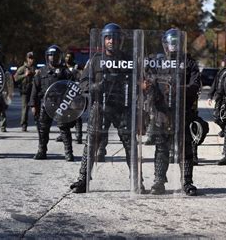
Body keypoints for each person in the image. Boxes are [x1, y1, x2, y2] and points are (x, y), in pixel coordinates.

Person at [70, 23, 144, 193]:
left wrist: (141, 107)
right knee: (91, 144)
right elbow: (83, 84)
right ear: (103, 40)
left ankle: (136, 181)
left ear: (120, 40)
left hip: (124, 108)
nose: (112, 41)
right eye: (108, 38)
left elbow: (141, 84)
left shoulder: (130, 60)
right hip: (101, 107)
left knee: (130, 145)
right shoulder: (95, 60)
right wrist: (96, 87)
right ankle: (83, 179)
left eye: (115, 38)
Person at [148, 28, 201, 196]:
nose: (173, 46)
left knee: (185, 148)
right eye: (170, 43)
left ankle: (187, 182)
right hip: (162, 111)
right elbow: (148, 81)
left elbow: (195, 84)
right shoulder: (157, 62)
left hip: (182, 110)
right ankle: (158, 181)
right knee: (161, 147)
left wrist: (179, 90)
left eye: (176, 42)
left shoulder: (189, 62)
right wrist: (151, 89)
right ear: (165, 44)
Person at [29, 45, 76, 161]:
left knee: (64, 129)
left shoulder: (65, 72)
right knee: (43, 129)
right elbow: (35, 89)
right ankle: (41, 151)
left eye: (55, 56)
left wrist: (72, 105)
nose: (52, 58)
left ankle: (68, 153)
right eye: (50, 55)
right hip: (46, 104)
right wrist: (33, 104)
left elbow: (73, 89)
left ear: (59, 57)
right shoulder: (41, 72)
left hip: (61, 104)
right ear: (47, 57)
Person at [56, 52, 83, 144]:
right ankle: (62, 134)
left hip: (74, 93)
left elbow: (81, 78)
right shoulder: (62, 67)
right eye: (66, 56)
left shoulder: (77, 67)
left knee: (76, 114)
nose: (68, 58)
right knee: (62, 113)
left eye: (69, 57)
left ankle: (78, 135)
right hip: (64, 93)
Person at [208, 52, 226, 138]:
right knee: (216, 118)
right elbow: (215, 84)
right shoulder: (222, 71)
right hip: (220, 98)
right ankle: (224, 130)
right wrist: (210, 96)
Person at [15, 52, 36, 132]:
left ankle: (39, 125)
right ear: (27, 59)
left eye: (32, 58)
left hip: (33, 90)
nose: (31, 60)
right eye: (30, 58)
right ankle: (24, 125)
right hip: (25, 91)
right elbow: (16, 78)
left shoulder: (34, 68)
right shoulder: (22, 68)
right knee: (25, 109)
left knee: (36, 108)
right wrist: (25, 75)